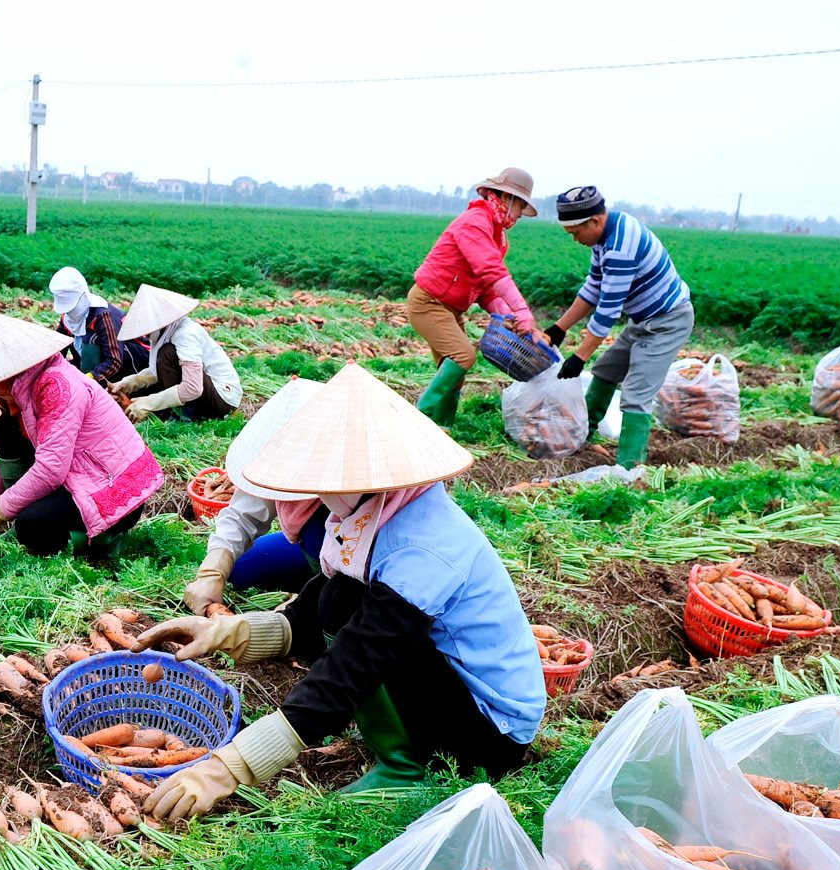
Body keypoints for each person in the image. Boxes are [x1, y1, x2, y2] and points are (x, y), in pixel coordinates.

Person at [136, 363, 546, 820]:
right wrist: (228, 633)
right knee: (337, 598)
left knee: (359, 632)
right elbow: (324, 608)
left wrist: (228, 769)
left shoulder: (422, 550)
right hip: (452, 692)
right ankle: (404, 744)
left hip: (490, 732)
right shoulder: (378, 510)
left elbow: (353, 665)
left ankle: (408, 767)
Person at [0, 313, 163, 558]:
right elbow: (43, 450)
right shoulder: (28, 387)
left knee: (32, 526)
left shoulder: (58, 387)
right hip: (80, 478)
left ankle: (104, 540)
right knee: (6, 427)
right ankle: (25, 517)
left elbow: (51, 469)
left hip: (114, 489)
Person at [545, 186, 693, 468]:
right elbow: (594, 287)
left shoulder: (620, 247)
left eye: (576, 233)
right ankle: (581, 436)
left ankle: (629, 467)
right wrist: (558, 328)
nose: (575, 240)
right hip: (642, 319)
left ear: (595, 221)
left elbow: (608, 310)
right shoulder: (604, 237)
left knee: (636, 394)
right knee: (606, 370)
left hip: (667, 322)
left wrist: (579, 358)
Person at [408, 168, 546, 426]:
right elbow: (491, 270)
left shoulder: (497, 233)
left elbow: (486, 287)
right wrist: (522, 311)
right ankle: (417, 422)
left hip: (451, 309)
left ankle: (442, 429)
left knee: (454, 373)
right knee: (463, 355)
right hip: (428, 303)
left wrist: (507, 314)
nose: (520, 214)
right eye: (520, 206)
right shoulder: (475, 221)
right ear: (506, 198)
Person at [183, 378, 329, 615]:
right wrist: (213, 571)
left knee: (317, 531)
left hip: (365, 568)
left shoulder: (362, 477)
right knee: (241, 567)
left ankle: (327, 595)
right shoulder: (282, 458)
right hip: (318, 558)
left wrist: (302, 608)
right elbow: (243, 514)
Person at [108, 284, 242, 422]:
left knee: (167, 354)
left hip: (224, 399)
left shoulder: (185, 333)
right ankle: (183, 413)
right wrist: (131, 382)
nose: (145, 334)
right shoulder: (166, 333)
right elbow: (158, 370)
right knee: (165, 355)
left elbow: (192, 387)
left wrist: (149, 403)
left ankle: (187, 416)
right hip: (208, 392)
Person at [49, 267, 149, 386]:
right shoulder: (67, 318)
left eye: (72, 307)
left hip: (128, 368)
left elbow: (114, 362)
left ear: (83, 296)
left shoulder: (103, 316)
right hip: (92, 366)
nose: (70, 312)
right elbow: (58, 351)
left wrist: (91, 377)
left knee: (89, 338)